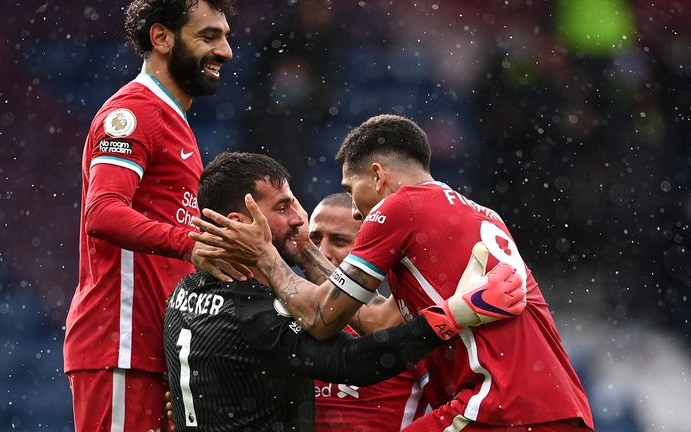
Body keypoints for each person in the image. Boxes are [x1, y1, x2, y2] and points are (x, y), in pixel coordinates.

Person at [191, 114, 594, 431]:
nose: (354, 210)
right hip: (560, 405)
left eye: (351, 190)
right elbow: (379, 323)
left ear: (379, 176)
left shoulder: (399, 207)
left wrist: (266, 256)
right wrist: (306, 254)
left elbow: (320, 318)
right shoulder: (476, 215)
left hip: (498, 403)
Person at [164, 151, 525, 431]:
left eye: (339, 241)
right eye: (283, 207)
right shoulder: (271, 313)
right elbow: (353, 359)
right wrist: (453, 313)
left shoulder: (185, 292)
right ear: (242, 223)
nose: (298, 223)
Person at [62, 1, 243, 430]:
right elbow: (103, 213)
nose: (226, 51)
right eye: (209, 36)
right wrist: (191, 244)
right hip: (121, 343)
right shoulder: (133, 113)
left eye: (226, 36)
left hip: (156, 348)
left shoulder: (175, 123)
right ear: (161, 38)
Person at [309, 193, 429, 431]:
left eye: (339, 241)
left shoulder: (412, 320)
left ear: (370, 249)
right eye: (313, 240)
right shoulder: (290, 317)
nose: (321, 253)